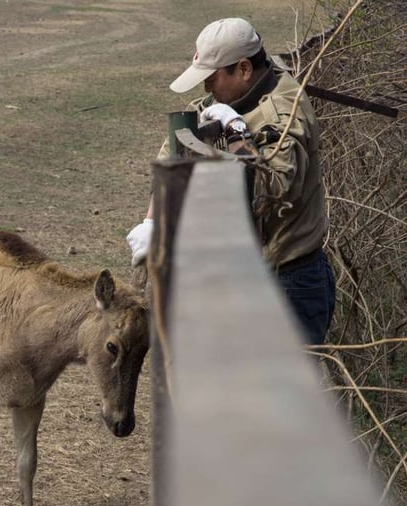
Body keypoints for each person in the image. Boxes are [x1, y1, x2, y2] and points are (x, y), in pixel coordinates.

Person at [125, 17, 336, 345]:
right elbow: (175, 148)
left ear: (244, 69)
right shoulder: (232, 97)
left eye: (212, 78)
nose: (206, 89)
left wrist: (238, 132)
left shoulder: (283, 115)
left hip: (286, 284)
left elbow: (274, 187)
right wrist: (151, 221)